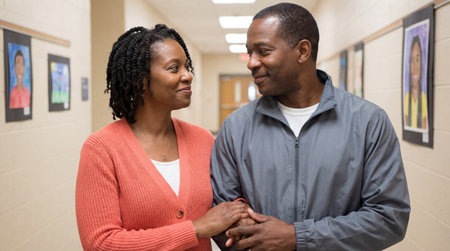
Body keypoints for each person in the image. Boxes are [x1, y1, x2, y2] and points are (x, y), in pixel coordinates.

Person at [211, 3, 410, 251]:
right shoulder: (236, 127)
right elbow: (221, 214)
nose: (251, 62)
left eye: (263, 51)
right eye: (250, 52)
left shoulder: (369, 122)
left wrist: (297, 237)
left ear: (303, 51)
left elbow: (389, 219)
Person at [76, 25, 248, 251]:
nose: (188, 75)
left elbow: (224, 200)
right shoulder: (101, 149)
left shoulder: (202, 139)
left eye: (187, 67)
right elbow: (101, 244)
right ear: (140, 79)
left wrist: (239, 213)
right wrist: (196, 229)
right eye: (174, 68)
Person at [404, 35, 428, 129]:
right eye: (411, 60)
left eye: (417, 60)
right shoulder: (406, 98)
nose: (414, 66)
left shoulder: (423, 98)